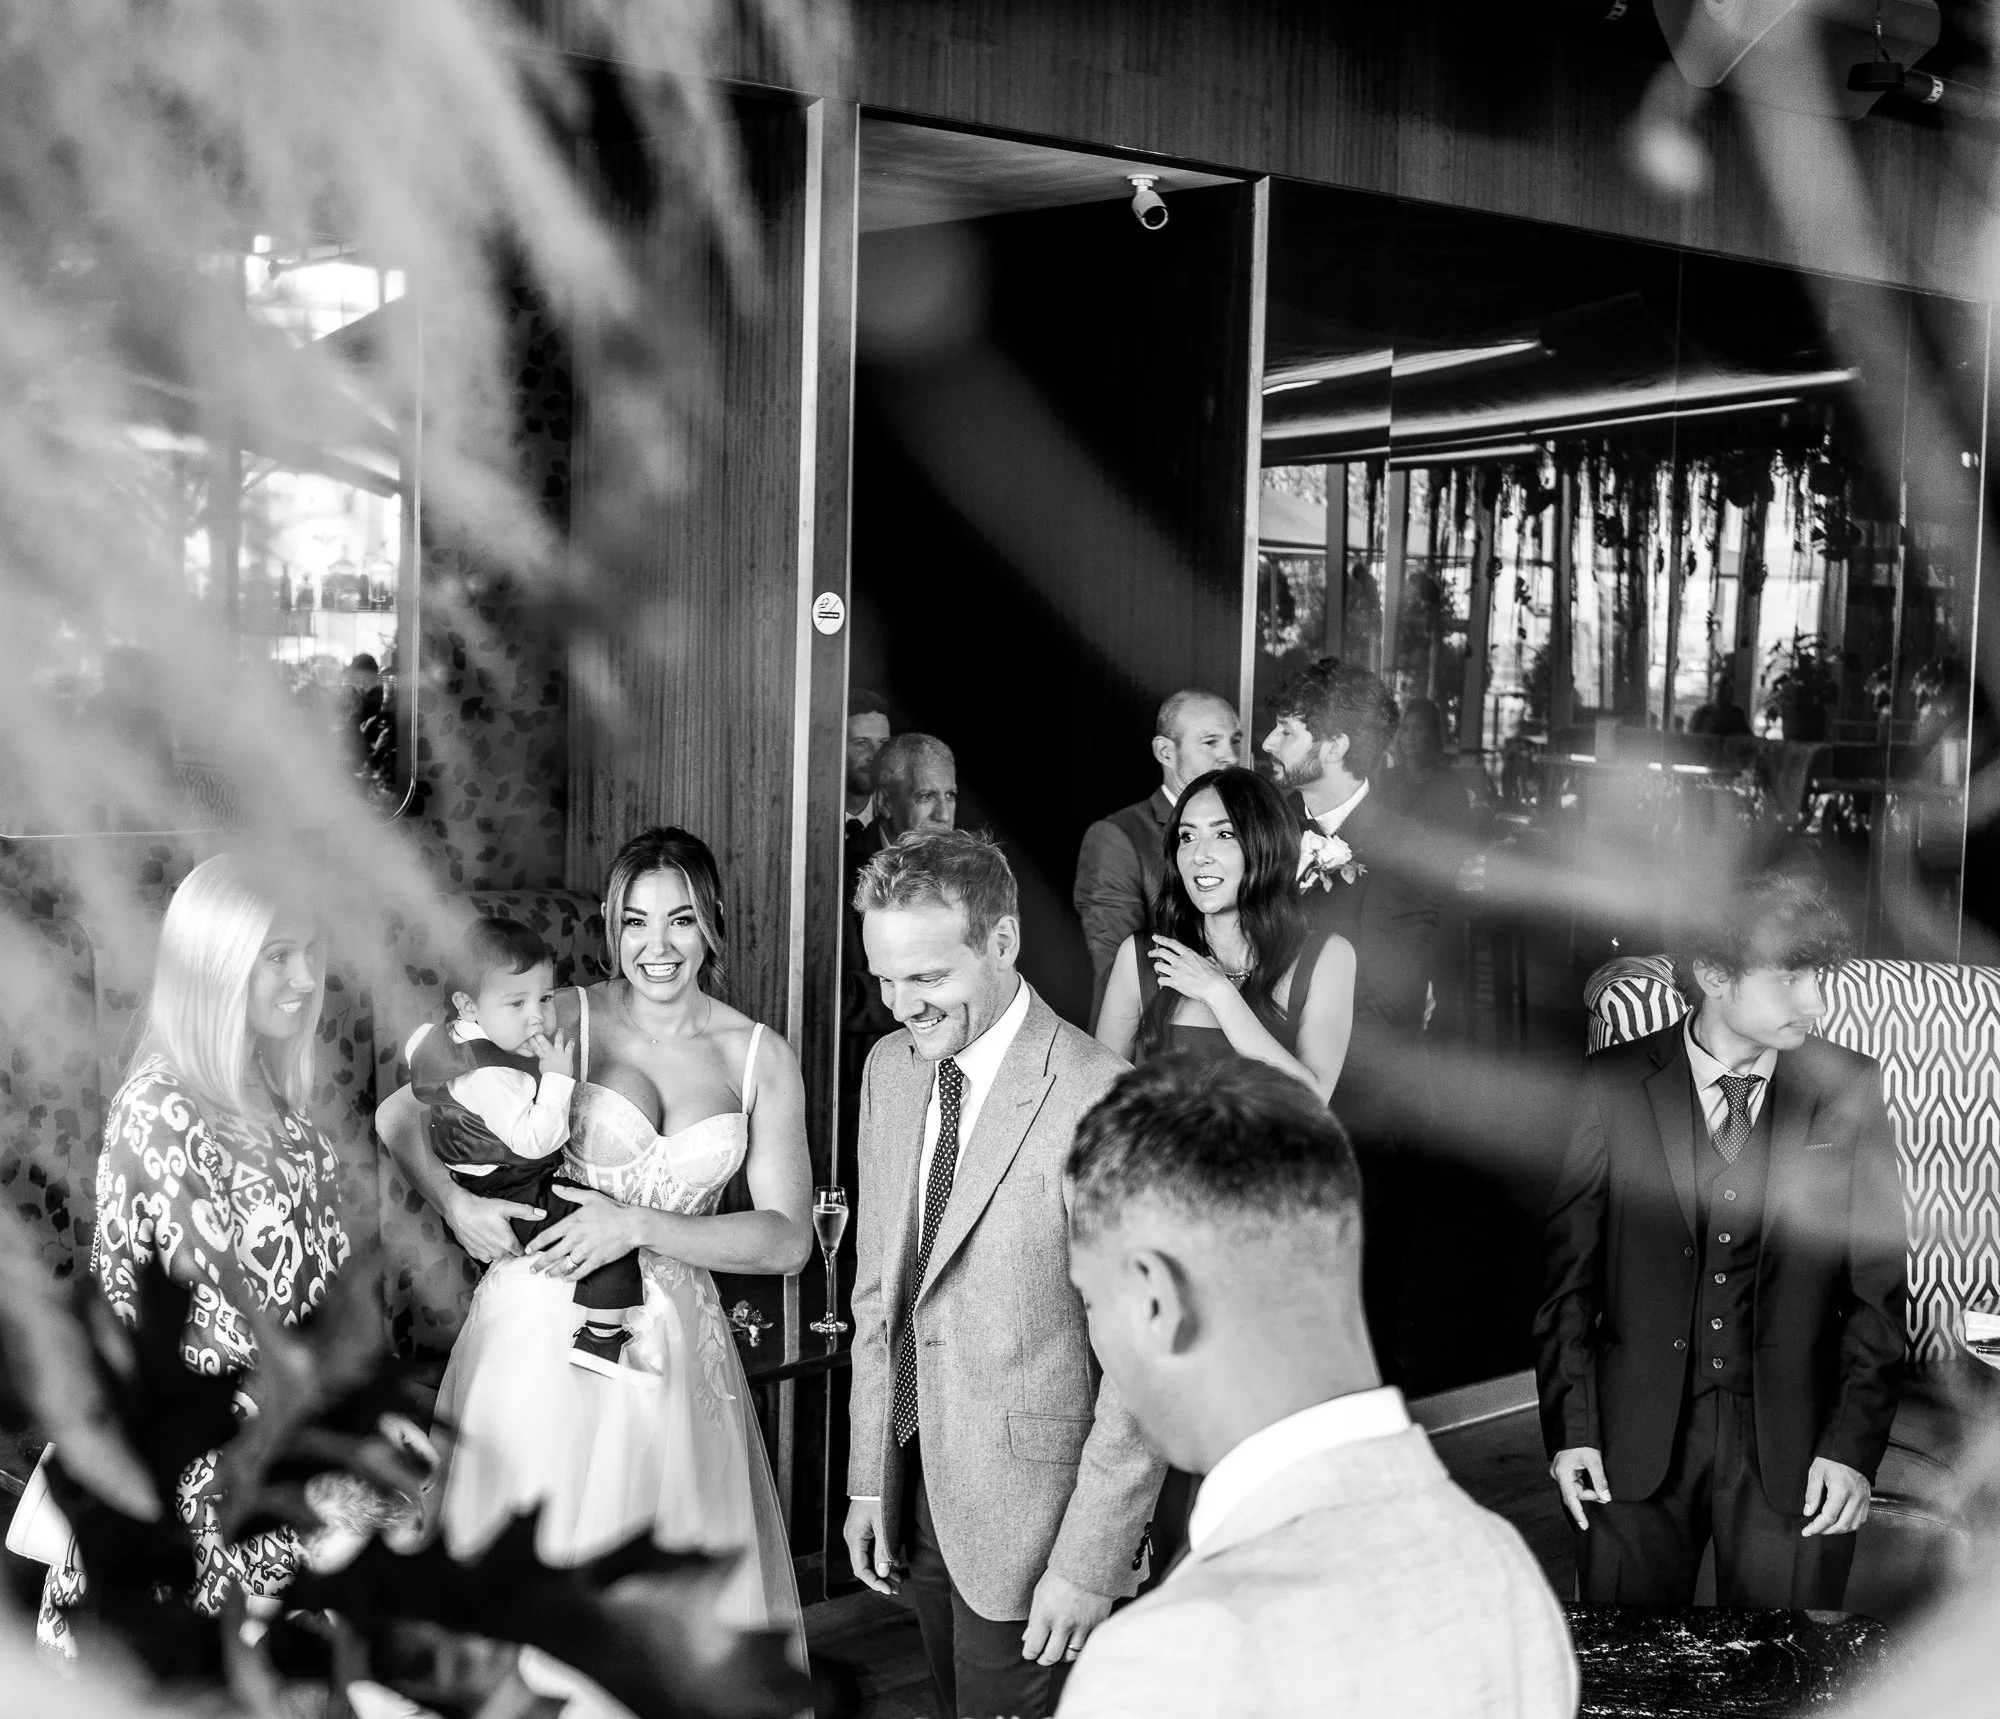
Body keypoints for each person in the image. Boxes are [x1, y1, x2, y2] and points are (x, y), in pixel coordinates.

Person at [376, 827, 812, 1643]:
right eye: (636, 921)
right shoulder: (558, 1014)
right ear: (612, 925)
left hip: (676, 1350)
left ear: (711, 921)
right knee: (530, 1590)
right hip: (541, 1332)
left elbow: (789, 1238)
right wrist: (458, 1205)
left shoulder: (760, 1056)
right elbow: (402, 1110)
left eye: (680, 919)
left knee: (662, 1612)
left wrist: (640, 1225)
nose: (657, 946)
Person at [1057, 1056, 1577, 1718]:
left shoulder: (1170, 1661)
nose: (1095, 1330)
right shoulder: (1504, 1563)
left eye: (1090, 1298)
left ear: (1156, 1298)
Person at [843, 830, 1162, 1719]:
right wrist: (870, 1475)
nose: (902, 1004)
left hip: (1041, 1526)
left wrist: (1091, 1557)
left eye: (929, 977)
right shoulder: (889, 1071)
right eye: (885, 978)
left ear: (1003, 943)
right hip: (916, 1494)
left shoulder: (1102, 1096)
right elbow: (880, 1294)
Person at [1536, 870, 1907, 1608]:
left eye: (1820, 976)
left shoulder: (1847, 1087)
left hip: (1795, 1446)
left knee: (1788, 1678)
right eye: (1792, 978)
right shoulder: (1610, 1085)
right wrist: (1571, 1427)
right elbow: (1566, 1280)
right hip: (1631, 1436)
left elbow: (1879, 1290)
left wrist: (1850, 1447)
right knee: (1628, 1676)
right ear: (1713, 974)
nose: (1817, 1002)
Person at [40, 854, 355, 1654]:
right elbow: (209, 1336)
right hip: (198, 1478)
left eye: (310, 950)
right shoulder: (162, 1110)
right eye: (277, 955)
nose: (304, 976)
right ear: (216, 966)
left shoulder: (281, 1102)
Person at [1262, 657, 1438, 1380]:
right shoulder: (1265, 825)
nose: (1269, 743)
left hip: (1356, 1119)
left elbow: (1390, 1008)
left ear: (1333, 744)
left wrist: (1260, 1008)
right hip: (1267, 1101)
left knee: (1353, 1315)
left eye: (1287, 727)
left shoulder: (1402, 851)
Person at [404, 915, 642, 1377]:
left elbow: (421, 1053)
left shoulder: (458, 1040)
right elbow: (535, 1140)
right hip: (510, 1188)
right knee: (603, 1231)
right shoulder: (493, 1073)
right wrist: (557, 1077)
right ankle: (601, 1340)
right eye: (517, 1003)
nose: (537, 1015)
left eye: (546, 997)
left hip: (491, 1178)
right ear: (468, 1005)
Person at [1094, 766, 1353, 1100]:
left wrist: (1218, 993)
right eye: (1187, 837)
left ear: (1265, 843)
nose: (1199, 855)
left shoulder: (1328, 956)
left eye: (1224, 834)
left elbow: (1311, 1100)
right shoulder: (1142, 957)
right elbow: (1098, 1099)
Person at [1073, 691, 1241, 1029]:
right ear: (1165, 751)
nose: (1231, 756)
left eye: (1235, 741)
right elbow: (1115, 969)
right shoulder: (1118, 836)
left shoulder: (1252, 828)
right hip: (1159, 1037)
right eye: (1210, 742)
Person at [841, 733, 960, 1159]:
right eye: (927, 796)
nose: (944, 813)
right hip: (859, 1092)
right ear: (886, 803)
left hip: (951, 1082)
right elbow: (830, 992)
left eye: (950, 795)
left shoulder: (964, 873)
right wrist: (938, 988)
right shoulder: (840, 867)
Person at [845, 688, 893, 838]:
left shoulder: (898, 818)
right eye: (862, 743)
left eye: (883, 743)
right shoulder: (805, 817)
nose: (875, 755)